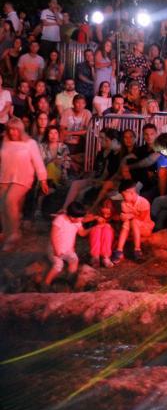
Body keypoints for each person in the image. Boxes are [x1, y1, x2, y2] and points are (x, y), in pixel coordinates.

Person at [0, 118, 47, 250]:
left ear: (20, 130)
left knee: (10, 200)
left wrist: (43, 179)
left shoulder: (30, 143)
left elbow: (38, 161)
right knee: (2, 206)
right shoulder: (5, 141)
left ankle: (14, 234)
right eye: (10, 129)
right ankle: (7, 232)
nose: (12, 132)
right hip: (5, 177)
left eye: (15, 129)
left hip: (23, 177)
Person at [44, 201, 90, 285]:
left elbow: (82, 233)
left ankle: (69, 280)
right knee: (58, 265)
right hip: (55, 248)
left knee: (74, 260)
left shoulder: (77, 221)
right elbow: (53, 235)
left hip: (68, 249)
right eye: (79, 218)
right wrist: (56, 249)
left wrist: (92, 229)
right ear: (72, 217)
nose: (81, 220)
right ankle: (46, 283)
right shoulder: (60, 219)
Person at [111, 179, 154, 263]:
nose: (123, 198)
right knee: (127, 222)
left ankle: (137, 249)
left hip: (144, 227)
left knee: (134, 221)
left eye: (124, 195)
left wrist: (130, 215)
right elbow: (125, 217)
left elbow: (142, 218)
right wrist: (123, 217)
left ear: (131, 192)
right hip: (131, 229)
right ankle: (119, 250)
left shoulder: (143, 202)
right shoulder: (124, 204)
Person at [89, 196, 115, 268]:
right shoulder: (97, 215)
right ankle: (95, 257)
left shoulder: (114, 218)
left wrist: (108, 225)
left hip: (107, 235)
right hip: (97, 234)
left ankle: (105, 257)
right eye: (103, 213)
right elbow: (83, 219)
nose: (105, 216)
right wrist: (96, 217)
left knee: (106, 229)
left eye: (108, 214)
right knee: (96, 229)